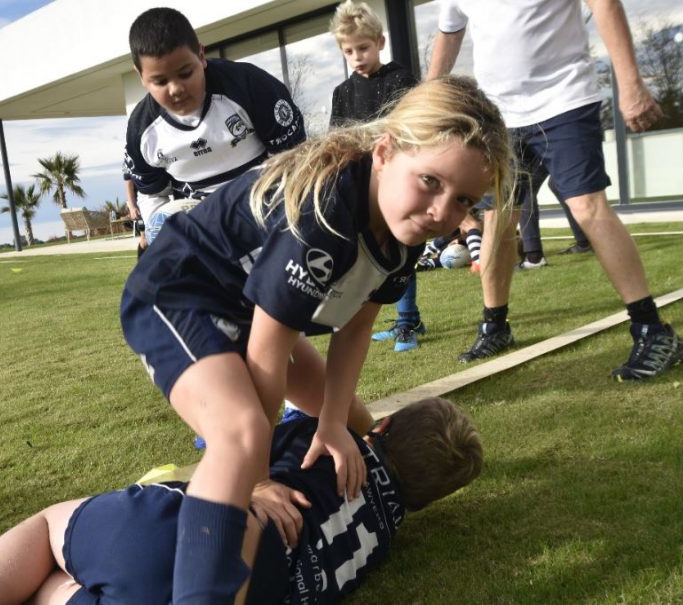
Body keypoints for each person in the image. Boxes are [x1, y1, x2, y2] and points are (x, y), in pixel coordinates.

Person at [119, 75, 510, 603]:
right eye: (431, 182)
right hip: (179, 294)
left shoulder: (405, 232)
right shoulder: (327, 207)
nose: (442, 214)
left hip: (246, 306)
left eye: (463, 200)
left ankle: (361, 505)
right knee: (243, 435)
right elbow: (268, 346)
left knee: (359, 425)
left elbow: (358, 327)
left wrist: (331, 424)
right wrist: (257, 481)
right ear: (386, 151)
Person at [0, 397, 484, 605]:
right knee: (69, 585)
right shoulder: (385, 537)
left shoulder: (336, 443)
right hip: (245, 589)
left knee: (50, 528)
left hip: (197, 535)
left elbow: (251, 432)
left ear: (382, 427)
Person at [428, 0, 683, 380]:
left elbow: (604, 4)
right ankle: (496, 326)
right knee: (498, 218)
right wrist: (430, 104)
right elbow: (449, 31)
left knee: (587, 207)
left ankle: (653, 330)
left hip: (564, 100)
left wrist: (630, 81)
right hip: (499, 116)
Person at [122, 7, 305, 245]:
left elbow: (295, 162)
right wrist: (160, 233)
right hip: (199, 229)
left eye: (185, 73)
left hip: (265, 208)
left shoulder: (251, 86)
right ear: (140, 76)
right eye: (160, 81)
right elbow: (152, 194)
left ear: (201, 56)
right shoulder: (141, 130)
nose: (176, 89)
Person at [327, 0, 428, 353]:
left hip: (399, 183)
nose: (357, 56)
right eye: (349, 51)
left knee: (401, 250)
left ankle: (406, 323)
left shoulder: (401, 80)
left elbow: (415, 131)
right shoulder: (342, 93)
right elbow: (338, 143)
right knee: (370, 255)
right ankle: (398, 317)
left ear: (380, 43)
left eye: (364, 48)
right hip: (363, 188)